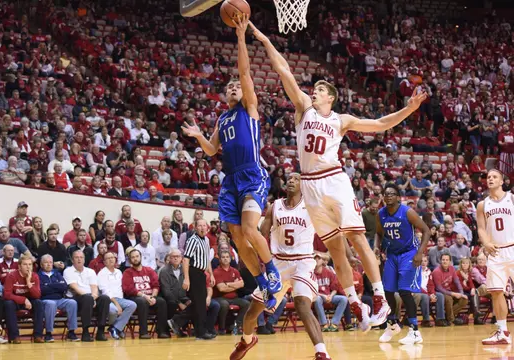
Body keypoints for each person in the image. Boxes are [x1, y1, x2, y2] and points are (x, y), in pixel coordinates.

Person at [250, 21, 425, 330]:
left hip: (333, 179)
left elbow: (380, 123)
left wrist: (409, 110)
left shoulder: (342, 120)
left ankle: (381, 299)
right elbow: (283, 71)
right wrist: (264, 39)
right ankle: (355, 302)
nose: (313, 92)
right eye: (313, 90)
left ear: (329, 97)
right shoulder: (304, 108)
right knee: (335, 249)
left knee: (357, 238)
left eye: (319, 90)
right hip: (310, 187)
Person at [182, 16, 281, 309]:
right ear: (225, 96)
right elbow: (213, 150)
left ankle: (272, 272)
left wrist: (240, 38)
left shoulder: (249, 108)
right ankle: (263, 286)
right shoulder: (223, 118)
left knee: (251, 230)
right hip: (231, 180)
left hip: (252, 175)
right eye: (230, 87)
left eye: (237, 85)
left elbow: (245, 70)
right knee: (238, 238)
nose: (235, 87)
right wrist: (199, 135)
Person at [231, 173, 329, 360]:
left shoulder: (311, 206)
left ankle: (321, 352)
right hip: (277, 265)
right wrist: (249, 253)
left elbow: (330, 229)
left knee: (302, 304)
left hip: (303, 262)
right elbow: (261, 235)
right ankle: (247, 340)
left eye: (296, 179)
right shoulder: (275, 207)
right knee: (252, 312)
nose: (291, 181)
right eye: (289, 178)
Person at [374, 184, 430, 344]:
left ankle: (414, 331)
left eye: (392, 193)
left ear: (398, 197)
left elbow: (426, 230)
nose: (388, 196)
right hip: (391, 255)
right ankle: (392, 324)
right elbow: (378, 233)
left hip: (409, 254)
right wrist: (376, 248)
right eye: (386, 194)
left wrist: (420, 252)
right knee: (388, 291)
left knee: (405, 292)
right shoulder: (381, 214)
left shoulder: (407, 212)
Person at [477, 169, 514, 345]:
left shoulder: (512, 198)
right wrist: (485, 242)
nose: (490, 179)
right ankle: (503, 332)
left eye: (494, 177)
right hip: (495, 252)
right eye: (488, 177)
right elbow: (481, 228)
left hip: (513, 248)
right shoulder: (482, 204)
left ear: (502, 181)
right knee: (496, 292)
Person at [122, 249, 170, 339]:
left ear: (140, 257)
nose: (135, 259)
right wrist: (145, 296)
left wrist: (153, 296)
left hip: (150, 296)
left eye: (137, 256)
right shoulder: (127, 272)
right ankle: (143, 332)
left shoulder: (149, 270)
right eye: (133, 257)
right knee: (142, 301)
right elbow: (128, 289)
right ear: (130, 260)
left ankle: (161, 331)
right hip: (135, 297)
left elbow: (156, 285)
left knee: (161, 302)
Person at [63, 250, 111, 342]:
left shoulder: (90, 271)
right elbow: (75, 288)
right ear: (72, 260)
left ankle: (100, 331)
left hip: (90, 297)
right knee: (87, 298)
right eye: (77, 257)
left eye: (81, 257)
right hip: (76, 297)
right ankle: (85, 332)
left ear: (84, 260)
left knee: (105, 298)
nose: (79, 259)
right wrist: (90, 298)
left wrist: (93, 297)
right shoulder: (68, 271)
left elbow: (94, 287)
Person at [182, 219, 216, 340]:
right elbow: (185, 259)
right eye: (199, 226)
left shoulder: (206, 240)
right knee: (199, 304)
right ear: (195, 228)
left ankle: (198, 331)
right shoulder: (193, 240)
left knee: (199, 304)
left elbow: (207, 260)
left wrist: (211, 274)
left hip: (202, 273)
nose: (202, 228)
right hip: (193, 272)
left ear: (207, 228)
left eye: (204, 226)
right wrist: (186, 279)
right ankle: (201, 332)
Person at [3, 255, 44, 344]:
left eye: (30, 264)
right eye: (25, 264)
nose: (28, 267)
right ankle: (14, 336)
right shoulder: (12, 276)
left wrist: (29, 283)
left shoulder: (34, 276)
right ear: (19, 266)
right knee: (8, 304)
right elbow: (7, 294)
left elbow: (37, 295)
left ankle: (38, 336)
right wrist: (23, 300)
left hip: (30, 300)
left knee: (39, 303)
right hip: (15, 300)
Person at [38, 254, 79, 342]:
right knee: (51, 304)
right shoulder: (38, 275)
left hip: (60, 299)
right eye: (46, 262)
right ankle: (48, 333)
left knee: (72, 303)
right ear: (41, 265)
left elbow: (64, 287)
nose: (49, 264)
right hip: (45, 300)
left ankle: (71, 332)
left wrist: (48, 286)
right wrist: (56, 286)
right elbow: (41, 290)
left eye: (50, 262)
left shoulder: (57, 273)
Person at [98, 251, 137, 340]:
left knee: (132, 305)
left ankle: (115, 328)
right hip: (108, 300)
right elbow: (105, 291)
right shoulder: (101, 273)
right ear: (104, 262)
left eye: (112, 257)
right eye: (108, 258)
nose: (111, 259)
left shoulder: (119, 272)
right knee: (113, 310)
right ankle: (118, 328)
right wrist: (117, 304)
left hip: (120, 298)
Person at [213, 250, 250, 334]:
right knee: (224, 305)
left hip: (234, 297)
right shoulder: (216, 272)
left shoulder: (235, 271)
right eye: (223, 257)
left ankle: (235, 326)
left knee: (247, 304)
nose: (225, 259)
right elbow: (221, 289)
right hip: (220, 297)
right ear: (220, 259)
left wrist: (228, 284)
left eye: (227, 257)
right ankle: (222, 328)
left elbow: (242, 284)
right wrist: (235, 284)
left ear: (230, 259)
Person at [160, 249, 194, 338]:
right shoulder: (164, 271)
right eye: (173, 257)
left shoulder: (186, 269)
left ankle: (176, 323)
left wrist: (188, 299)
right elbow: (166, 291)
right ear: (170, 258)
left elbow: (190, 286)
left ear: (181, 258)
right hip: (170, 298)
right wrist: (179, 303)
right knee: (172, 303)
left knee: (195, 303)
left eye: (177, 256)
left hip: (184, 297)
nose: (175, 259)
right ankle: (171, 326)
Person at [313, 253, 351, 332]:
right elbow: (312, 290)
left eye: (318, 258)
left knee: (343, 299)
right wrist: (323, 295)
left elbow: (335, 288)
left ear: (323, 261)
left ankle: (334, 323)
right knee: (317, 299)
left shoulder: (328, 272)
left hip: (328, 296)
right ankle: (324, 324)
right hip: (317, 296)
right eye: (315, 258)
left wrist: (330, 295)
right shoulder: (310, 273)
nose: (316, 260)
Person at [431, 254, 468, 326]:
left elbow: (457, 281)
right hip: (439, 292)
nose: (445, 261)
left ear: (450, 261)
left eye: (447, 260)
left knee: (464, 299)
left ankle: (446, 315)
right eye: (443, 260)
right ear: (440, 261)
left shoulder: (452, 268)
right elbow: (439, 288)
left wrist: (461, 293)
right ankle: (452, 319)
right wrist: (453, 294)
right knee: (449, 299)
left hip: (449, 290)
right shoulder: (436, 271)